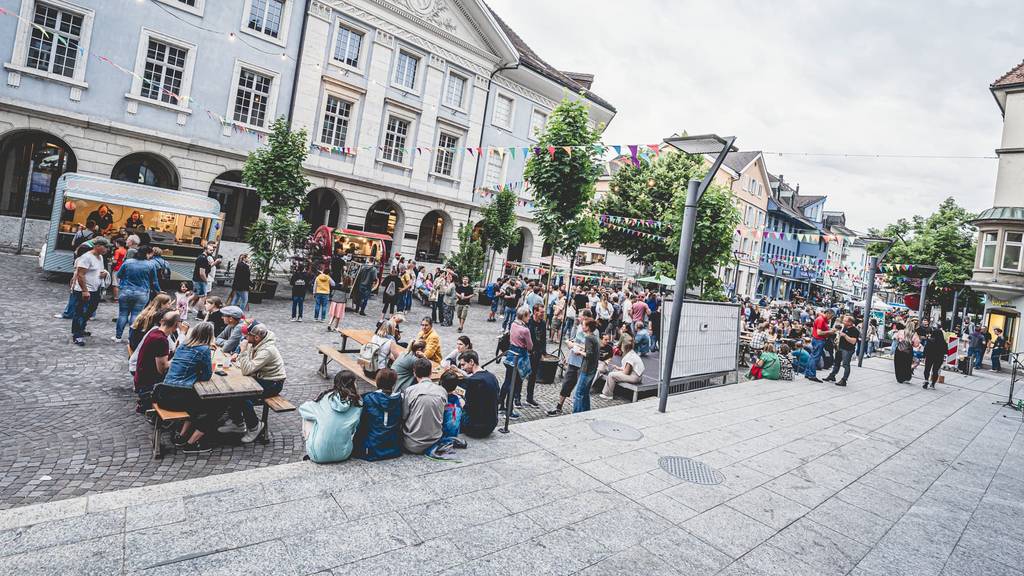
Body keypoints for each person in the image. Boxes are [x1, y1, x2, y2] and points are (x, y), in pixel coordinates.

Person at [153, 322, 220, 454]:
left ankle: (182, 437)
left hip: (162, 394)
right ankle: (191, 444)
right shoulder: (204, 349)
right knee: (216, 407)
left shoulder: (183, 345)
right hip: (178, 397)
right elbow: (206, 376)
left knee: (195, 404)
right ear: (209, 335)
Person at [299, 370, 363, 464]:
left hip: (318, 456)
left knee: (309, 417)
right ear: (353, 384)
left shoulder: (325, 398)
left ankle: (313, 444)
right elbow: (354, 428)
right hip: (343, 454)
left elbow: (302, 409)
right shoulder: (358, 404)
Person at [548, 309, 594, 416]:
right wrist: (569, 353)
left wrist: (574, 346)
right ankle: (559, 407)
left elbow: (586, 348)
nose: (578, 318)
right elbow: (574, 341)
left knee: (581, 390)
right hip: (573, 361)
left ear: (586, 318)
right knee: (566, 383)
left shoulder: (592, 332)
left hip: (583, 364)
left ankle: (582, 411)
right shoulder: (579, 327)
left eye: (581, 316)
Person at [134, 310, 180, 414]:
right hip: (148, 384)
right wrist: (177, 357)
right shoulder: (161, 340)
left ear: (162, 321)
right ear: (176, 325)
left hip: (141, 378)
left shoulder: (154, 332)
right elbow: (162, 369)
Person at [113, 246, 160, 343]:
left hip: (126, 291)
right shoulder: (151, 265)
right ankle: (131, 338)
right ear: (147, 253)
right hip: (142, 293)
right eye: (151, 254)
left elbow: (119, 275)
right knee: (136, 315)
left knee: (123, 314)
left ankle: (118, 337)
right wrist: (158, 291)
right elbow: (154, 282)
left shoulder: (128, 262)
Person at [354, 368, 402, 461]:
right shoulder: (399, 399)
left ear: (377, 381)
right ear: (394, 383)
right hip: (394, 447)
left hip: (372, 449)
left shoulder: (368, 398)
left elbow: (361, 423)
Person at [401, 358, 447, 456]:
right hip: (435, 442)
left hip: (412, 444)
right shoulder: (442, 391)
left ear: (414, 373)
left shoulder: (410, 391)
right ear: (431, 372)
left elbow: (404, 416)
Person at [70, 237, 110, 347]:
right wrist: (84, 290)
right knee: (80, 311)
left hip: (95, 289)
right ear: (97, 246)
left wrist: (104, 273)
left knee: (91, 310)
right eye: (105, 247)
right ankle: (77, 335)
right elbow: (80, 274)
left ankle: (81, 328)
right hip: (85, 290)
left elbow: (99, 270)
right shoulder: (86, 257)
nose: (107, 249)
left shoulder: (100, 257)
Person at [499, 307, 533, 416]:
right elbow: (530, 346)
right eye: (528, 315)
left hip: (511, 353)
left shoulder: (513, 324)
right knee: (514, 384)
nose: (529, 317)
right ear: (524, 316)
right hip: (520, 356)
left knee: (507, 381)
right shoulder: (525, 330)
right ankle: (509, 410)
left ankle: (501, 405)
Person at [458, 350, 499, 438]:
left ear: (472, 362)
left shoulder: (473, 380)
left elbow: (468, 407)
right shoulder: (492, 377)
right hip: (491, 424)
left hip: (475, 428)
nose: (462, 368)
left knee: (454, 405)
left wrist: (460, 400)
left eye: (463, 364)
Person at [572, 318, 600, 414]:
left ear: (588, 327)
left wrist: (579, 352)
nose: (582, 326)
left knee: (578, 393)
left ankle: (576, 414)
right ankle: (586, 412)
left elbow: (589, 354)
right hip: (592, 369)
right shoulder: (594, 337)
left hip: (587, 369)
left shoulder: (588, 338)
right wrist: (581, 348)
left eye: (583, 325)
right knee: (585, 393)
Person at [824, 315, 859, 387]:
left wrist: (845, 336)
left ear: (850, 322)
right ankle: (832, 375)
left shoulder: (855, 330)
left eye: (845, 321)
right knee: (836, 362)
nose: (843, 321)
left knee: (845, 364)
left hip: (848, 350)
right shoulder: (843, 327)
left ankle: (844, 380)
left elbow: (853, 341)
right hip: (840, 348)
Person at [524, 303, 547, 408]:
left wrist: (543, 352)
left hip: (536, 354)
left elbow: (543, 339)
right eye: (541, 312)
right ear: (535, 311)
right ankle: (516, 398)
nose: (543, 314)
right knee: (521, 375)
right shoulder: (529, 322)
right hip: (527, 352)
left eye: (543, 312)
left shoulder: (543, 323)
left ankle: (529, 398)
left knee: (533, 377)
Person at [805, 309, 835, 382]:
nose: (831, 318)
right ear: (828, 313)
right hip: (819, 340)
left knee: (812, 356)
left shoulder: (821, 319)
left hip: (818, 340)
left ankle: (808, 373)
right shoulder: (821, 319)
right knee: (815, 357)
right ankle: (812, 375)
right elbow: (819, 332)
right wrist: (830, 332)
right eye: (831, 316)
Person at [189, 242, 219, 313]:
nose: (212, 251)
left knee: (195, 295)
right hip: (200, 280)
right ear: (205, 249)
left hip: (197, 279)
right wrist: (205, 281)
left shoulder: (202, 257)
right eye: (210, 250)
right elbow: (202, 273)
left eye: (212, 250)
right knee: (202, 297)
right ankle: (200, 313)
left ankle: (184, 305)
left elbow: (206, 268)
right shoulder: (203, 258)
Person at [893, 318, 920, 383]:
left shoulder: (901, 331)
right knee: (906, 365)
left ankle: (899, 378)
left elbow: (895, 339)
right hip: (908, 352)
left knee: (898, 364)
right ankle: (906, 376)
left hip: (899, 350)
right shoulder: (914, 334)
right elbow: (916, 344)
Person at [922, 321, 947, 389]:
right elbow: (946, 351)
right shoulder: (943, 343)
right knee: (935, 371)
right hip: (939, 358)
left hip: (930, 356)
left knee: (927, 369)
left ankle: (926, 380)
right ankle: (933, 384)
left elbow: (926, 349)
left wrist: (924, 356)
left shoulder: (930, 341)